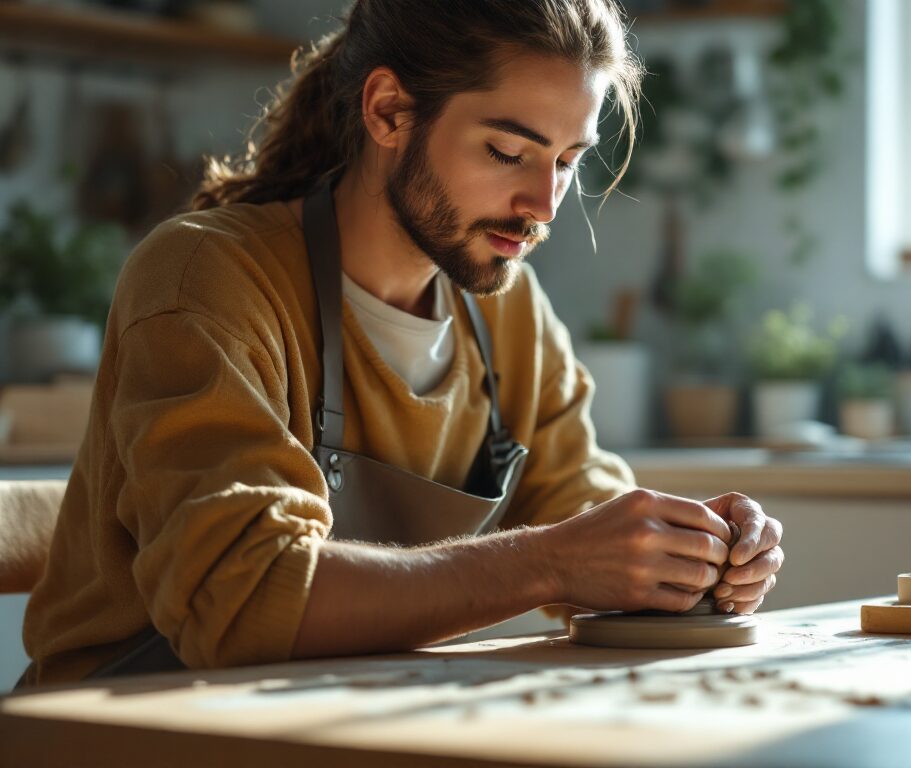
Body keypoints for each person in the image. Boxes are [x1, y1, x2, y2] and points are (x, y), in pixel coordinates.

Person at [20, 0, 783, 687]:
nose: (542, 204)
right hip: (119, 729)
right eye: (507, 152)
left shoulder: (507, 310)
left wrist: (690, 556)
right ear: (388, 111)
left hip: (330, 719)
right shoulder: (206, 276)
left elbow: (584, 508)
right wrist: (553, 561)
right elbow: (242, 602)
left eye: (566, 161)